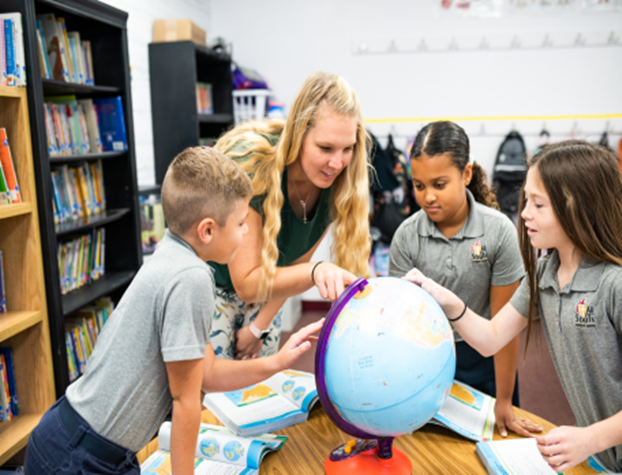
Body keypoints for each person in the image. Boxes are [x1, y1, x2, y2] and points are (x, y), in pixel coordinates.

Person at [24, 147, 324, 475]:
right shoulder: (191, 277)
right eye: (241, 222)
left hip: (76, 441)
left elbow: (207, 372)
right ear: (207, 230)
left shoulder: (172, 253)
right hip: (78, 457)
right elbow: (186, 401)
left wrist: (277, 362)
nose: (247, 231)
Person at [404, 140, 622, 473]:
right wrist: (448, 301)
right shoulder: (544, 274)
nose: (524, 214)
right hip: (602, 457)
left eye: (538, 204)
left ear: (577, 206)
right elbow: (491, 338)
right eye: (526, 201)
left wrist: (590, 438)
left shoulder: (614, 283)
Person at [389, 121, 540, 438]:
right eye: (419, 185)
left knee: (487, 444)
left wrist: (505, 400)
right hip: (427, 360)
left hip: (486, 358)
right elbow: (402, 324)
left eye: (439, 184)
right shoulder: (406, 237)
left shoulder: (498, 231)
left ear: (466, 174)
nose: (428, 196)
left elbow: (503, 328)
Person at [209, 71, 371, 360]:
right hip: (211, 286)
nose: (337, 163)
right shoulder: (252, 165)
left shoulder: (336, 182)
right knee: (214, 385)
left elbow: (295, 266)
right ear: (298, 134)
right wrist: (316, 271)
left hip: (265, 295)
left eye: (347, 149)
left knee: (261, 383)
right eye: (325, 148)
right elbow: (247, 282)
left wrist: (257, 329)